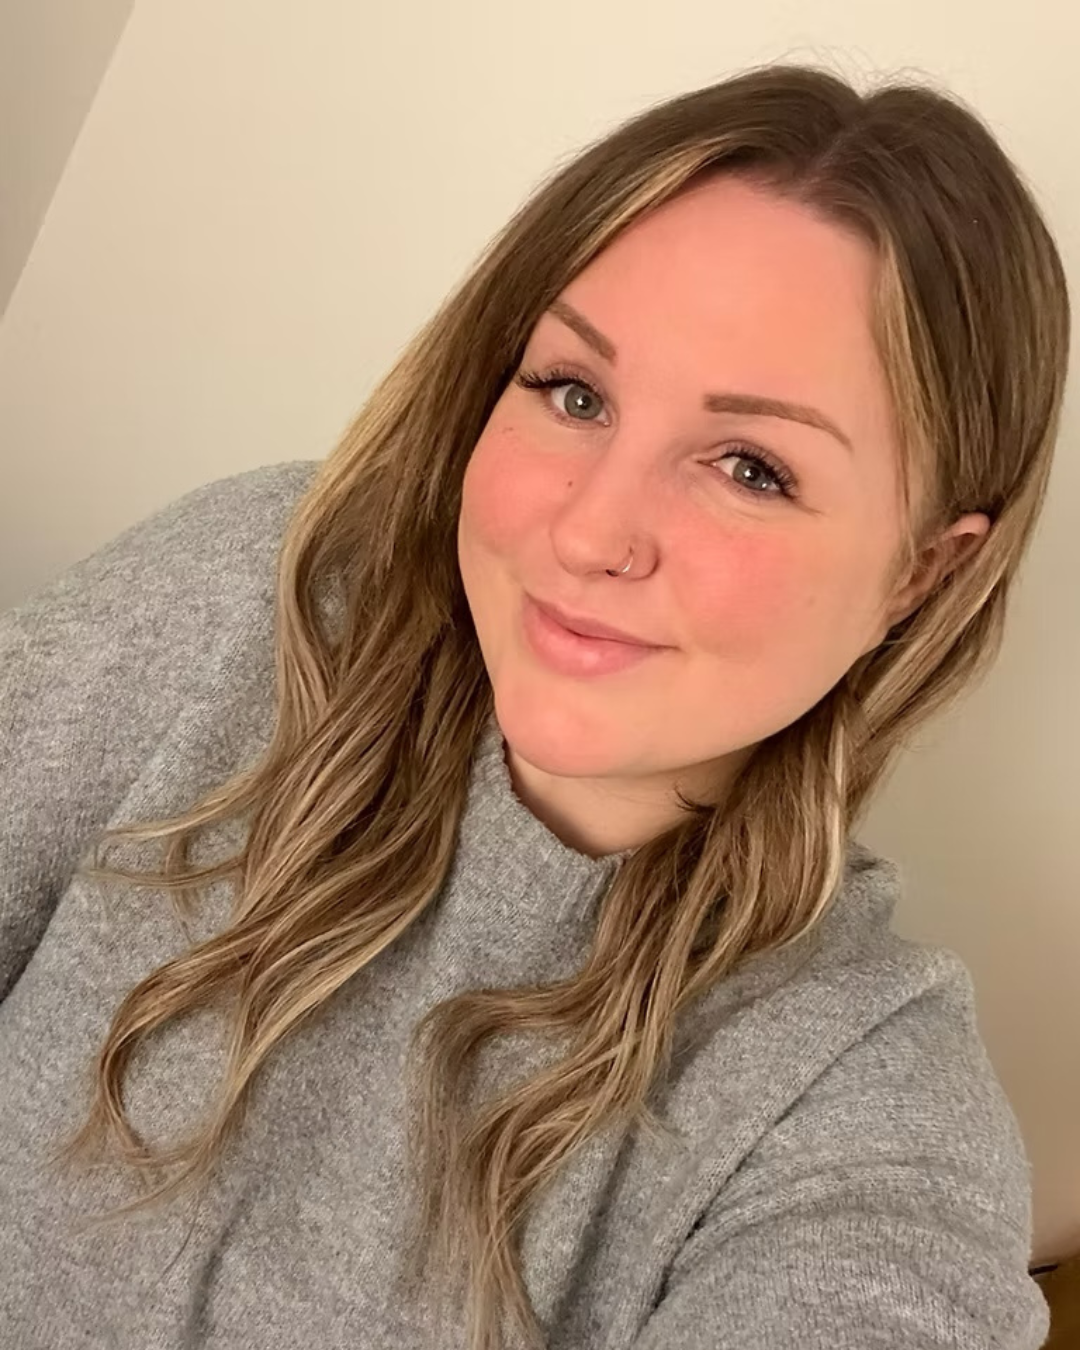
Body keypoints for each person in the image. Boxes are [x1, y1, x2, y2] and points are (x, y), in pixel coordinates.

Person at [0, 61, 1069, 1350]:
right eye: (575, 393)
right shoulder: (258, 595)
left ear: (924, 571)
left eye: (751, 466)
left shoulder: (852, 1104)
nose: (591, 532)